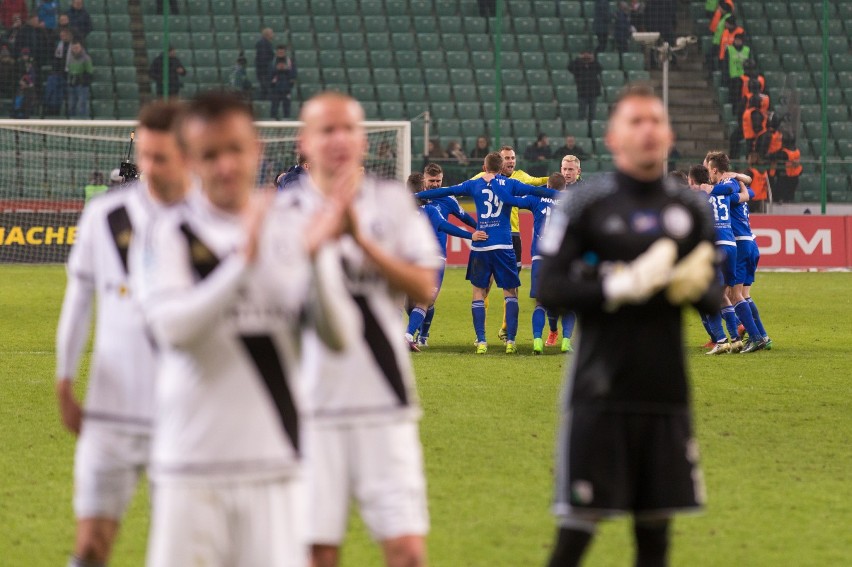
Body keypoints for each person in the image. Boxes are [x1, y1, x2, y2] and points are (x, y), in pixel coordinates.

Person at [139, 91, 355, 567]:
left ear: (256, 149)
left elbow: (340, 336)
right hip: (189, 467)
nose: (224, 166)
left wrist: (317, 256)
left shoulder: (294, 227)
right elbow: (173, 330)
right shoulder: (167, 232)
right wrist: (243, 262)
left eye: (234, 150)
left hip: (276, 468)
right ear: (192, 159)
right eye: (209, 155)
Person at [537, 84, 719, 567]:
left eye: (655, 121)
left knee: (655, 539)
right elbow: (549, 288)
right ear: (614, 137)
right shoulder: (584, 204)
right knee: (575, 535)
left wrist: (690, 286)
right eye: (635, 122)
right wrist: (616, 287)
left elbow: (715, 300)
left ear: (669, 135)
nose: (646, 130)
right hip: (599, 392)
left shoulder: (691, 209)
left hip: (666, 395)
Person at [281, 92, 439, 567]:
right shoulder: (281, 211)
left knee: (407, 551)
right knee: (317, 552)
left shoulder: (391, 202)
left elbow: (424, 287)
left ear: (363, 140)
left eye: (348, 128)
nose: (338, 139)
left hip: (384, 403)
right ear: (305, 142)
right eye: (326, 130)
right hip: (311, 405)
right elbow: (274, 302)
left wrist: (359, 241)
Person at [55, 101, 191, 567]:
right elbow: (79, 299)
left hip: (180, 414)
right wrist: (64, 378)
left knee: (179, 551)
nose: (150, 168)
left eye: (162, 157)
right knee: (90, 544)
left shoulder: (209, 221)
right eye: (146, 156)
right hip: (110, 412)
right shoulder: (103, 216)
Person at [416, 152, 547, 354]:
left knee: (478, 293)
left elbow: (445, 191)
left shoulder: (474, 183)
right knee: (510, 293)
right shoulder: (510, 184)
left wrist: (417, 195)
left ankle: (482, 341)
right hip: (504, 245)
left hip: (481, 245)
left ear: (484, 167)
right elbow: (536, 191)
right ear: (502, 167)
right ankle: (511, 341)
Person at [473, 146, 548, 341]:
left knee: (511, 286)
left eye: (513, 158)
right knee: (485, 285)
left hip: (513, 238)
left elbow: (539, 182)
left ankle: (506, 329)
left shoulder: (520, 176)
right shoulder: (483, 176)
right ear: (499, 160)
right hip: (490, 235)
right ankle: (481, 334)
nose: (511, 161)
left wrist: (559, 181)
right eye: (507, 158)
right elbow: (466, 186)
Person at [404, 174, 486, 351]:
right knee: (418, 302)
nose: (433, 185)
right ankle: (411, 335)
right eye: (430, 182)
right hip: (428, 258)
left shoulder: (400, 208)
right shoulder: (430, 211)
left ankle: (416, 335)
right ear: (424, 187)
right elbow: (445, 226)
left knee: (422, 300)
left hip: (418, 258)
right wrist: (470, 235)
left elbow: (459, 219)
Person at [765, 134, 802, 204]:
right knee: (790, 196)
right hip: (795, 176)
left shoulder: (784, 153)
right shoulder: (797, 151)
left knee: (783, 194)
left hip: (787, 177)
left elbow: (772, 156)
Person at [568, 50, 602, 123]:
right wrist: (578, 59)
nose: (586, 57)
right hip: (582, 91)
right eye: (584, 55)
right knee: (581, 112)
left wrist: (593, 60)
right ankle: (581, 128)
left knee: (592, 113)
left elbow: (600, 69)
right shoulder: (578, 66)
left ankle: (591, 130)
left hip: (593, 92)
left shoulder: (594, 65)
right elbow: (570, 67)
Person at [65, 39, 92, 117]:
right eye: (73, 48)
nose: (75, 49)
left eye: (77, 47)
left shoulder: (86, 58)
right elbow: (69, 71)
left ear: (81, 48)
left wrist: (83, 81)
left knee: (81, 106)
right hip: (72, 85)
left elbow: (89, 72)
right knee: (71, 106)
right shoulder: (70, 58)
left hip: (82, 86)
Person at [255, 28, 274, 99]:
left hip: (264, 72)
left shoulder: (266, 43)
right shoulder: (263, 44)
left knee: (265, 90)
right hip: (264, 72)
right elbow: (263, 59)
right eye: (272, 33)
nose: (273, 35)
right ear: (267, 35)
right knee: (265, 90)